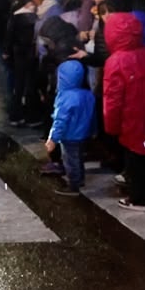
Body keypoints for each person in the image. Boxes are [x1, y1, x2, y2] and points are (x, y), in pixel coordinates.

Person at [102, 12, 145, 211]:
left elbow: (112, 98)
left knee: (135, 158)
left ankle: (139, 199)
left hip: (131, 117)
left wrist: (111, 126)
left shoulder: (115, 61)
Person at [45, 60, 95, 196]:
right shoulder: (87, 94)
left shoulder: (64, 97)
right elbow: (92, 116)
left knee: (70, 160)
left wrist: (53, 139)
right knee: (79, 158)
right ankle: (80, 179)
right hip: (83, 134)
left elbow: (60, 120)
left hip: (69, 136)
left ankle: (73, 186)